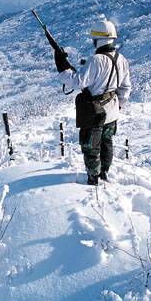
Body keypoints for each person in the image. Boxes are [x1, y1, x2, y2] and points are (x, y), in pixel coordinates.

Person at [54, 18, 131, 185]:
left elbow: (77, 82)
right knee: (106, 143)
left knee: (91, 146)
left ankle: (93, 180)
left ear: (98, 39)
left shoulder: (96, 60)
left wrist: (62, 67)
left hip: (95, 112)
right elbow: (125, 88)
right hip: (112, 111)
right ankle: (104, 174)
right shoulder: (121, 59)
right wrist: (119, 105)